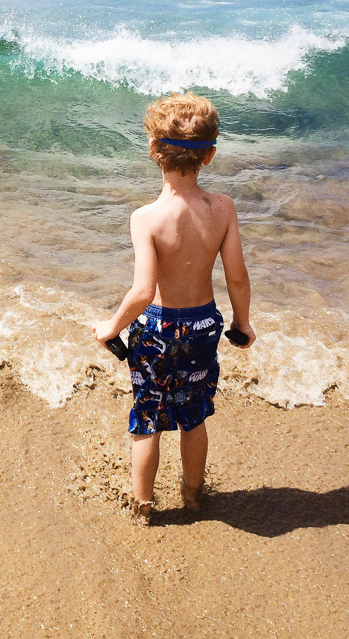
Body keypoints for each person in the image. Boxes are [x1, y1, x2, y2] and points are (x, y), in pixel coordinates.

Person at [92, 91, 254, 523]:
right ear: (210, 155)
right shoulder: (222, 208)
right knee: (193, 415)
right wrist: (243, 323)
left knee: (147, 420)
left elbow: (143, 292)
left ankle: (143, 507)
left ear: (153, 151)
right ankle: (193, 494)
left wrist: (110, 327)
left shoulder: (146, 218)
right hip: (204, 325)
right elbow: (237, 276)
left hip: (157, 332)